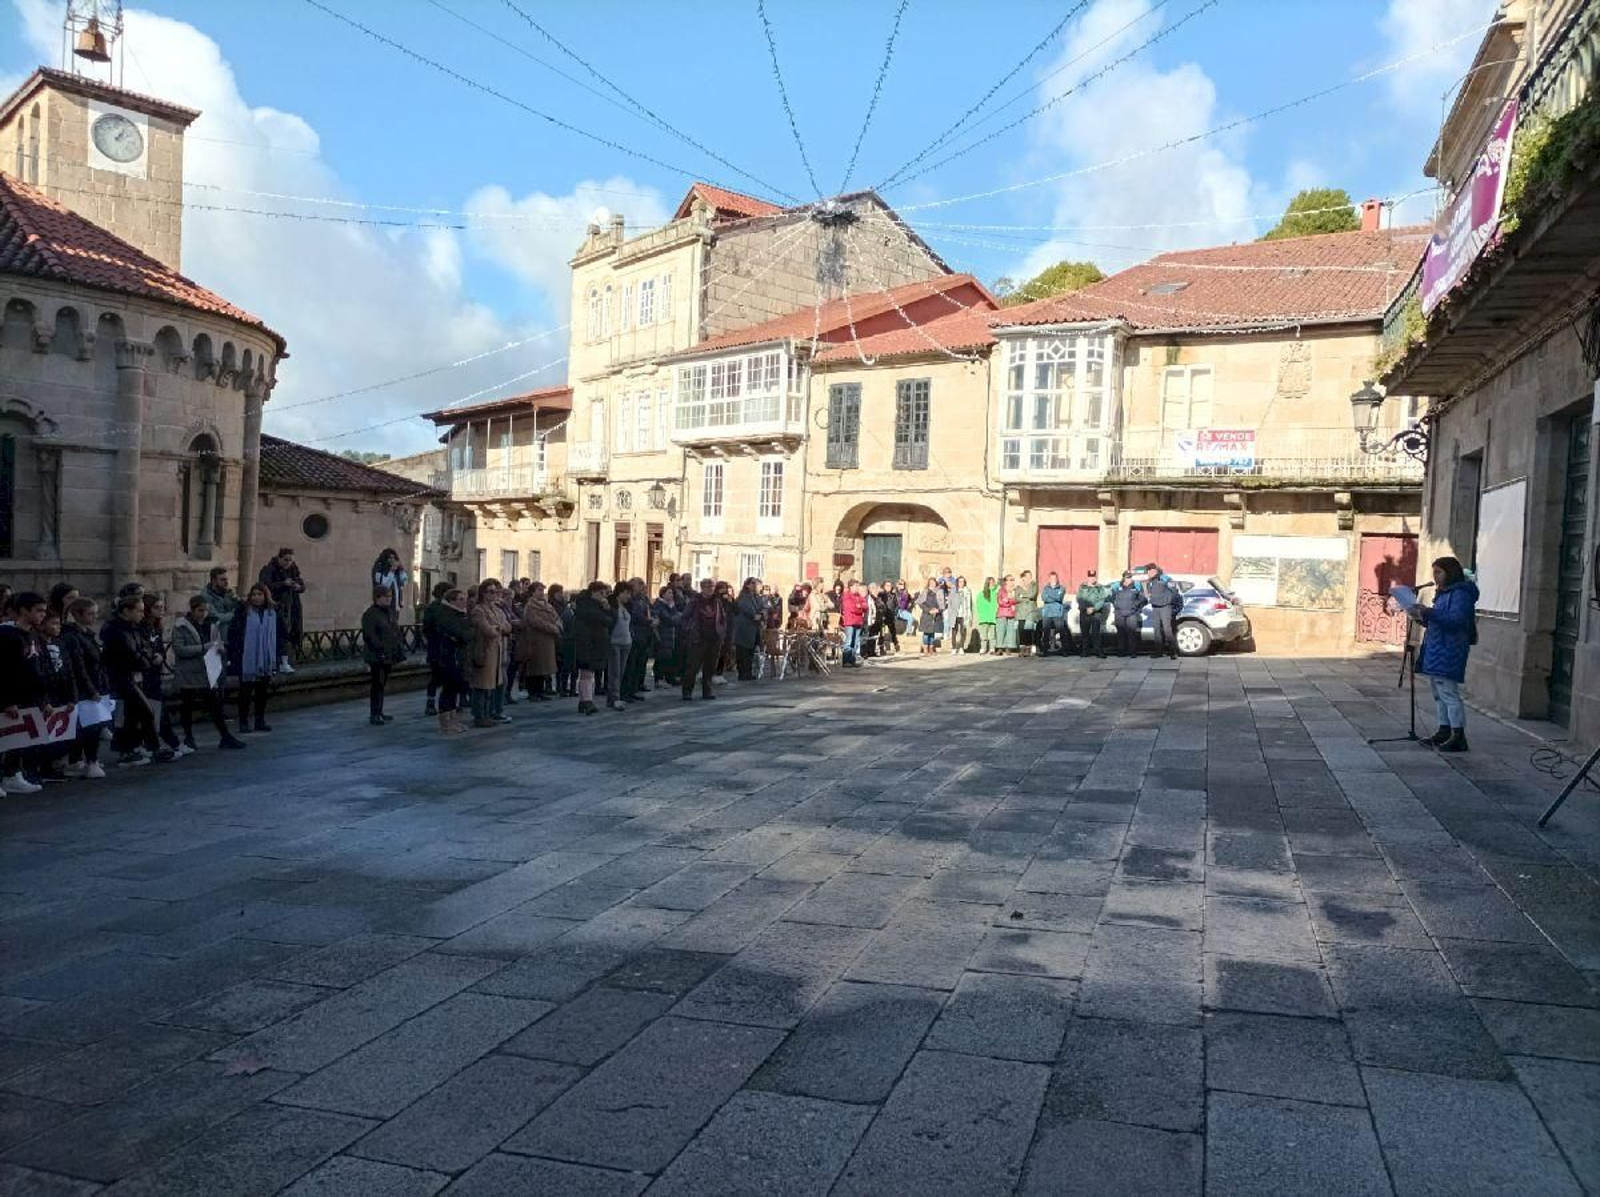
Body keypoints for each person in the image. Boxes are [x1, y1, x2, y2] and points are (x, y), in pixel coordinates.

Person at [1414, 556, 1479, 753]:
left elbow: (1456, 620)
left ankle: (1458, 736)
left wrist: (1429, 612)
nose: (1435, 576)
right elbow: (1438, 620)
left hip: (1450, 648)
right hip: (1436, 647)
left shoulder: (1461, 594)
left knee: (1449, 693)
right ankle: (1444, 730)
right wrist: (1420, 616)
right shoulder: (1443, 593)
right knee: (1438, 693)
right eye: (1434, 572)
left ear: (1450, 572)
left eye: (1439, 572)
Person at [172, 595, 245, 751]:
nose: (203, 614)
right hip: (188, 672)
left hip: (206, 671)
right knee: (187, 706)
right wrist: (202, 648)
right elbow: (179, 649)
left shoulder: (211, 624)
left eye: (205, 610)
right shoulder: (181, 626)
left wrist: (219, 648)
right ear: (192, 610)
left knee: (214, 705)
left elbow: (215, 643)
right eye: (200, 610)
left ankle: (225, 736)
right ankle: (189, 737)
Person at [101, 592, 167, 765]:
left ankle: (127, 750)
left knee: (131, 715)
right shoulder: (115, 629)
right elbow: (130, 654)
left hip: (133, 675)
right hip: (121, 677)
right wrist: (147, 660)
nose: (142, 614)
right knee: (145, 710)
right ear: (126, 611)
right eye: (139, 610)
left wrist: (148, 656)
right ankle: (153, 747)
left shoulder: (133, 628)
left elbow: (144, 647)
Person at [0, 592, 50, 792]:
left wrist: (44, 699)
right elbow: (4, 671)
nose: (42, 615)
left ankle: (12, 775)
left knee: (20, 740)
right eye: (38, 610)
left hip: (30, 696)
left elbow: (39, 667)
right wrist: (7, 701)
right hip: (12, 697)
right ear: (23, 610)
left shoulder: (34, 636)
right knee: (4, 739)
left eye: (44, 611)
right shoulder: (7, 636)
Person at [60, 598, 109, 778]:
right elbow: (79, 666)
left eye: (95, 613)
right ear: (77, 615)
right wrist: (91, 690)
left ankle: (83, 760)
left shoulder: (86, 634)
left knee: (90, 727)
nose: (94, 617)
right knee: (90, 727)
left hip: (94, 684)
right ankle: (89, 761)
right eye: (90, 614)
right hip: (85, 689)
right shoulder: (73, 637)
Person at [226, 583, 279, 734]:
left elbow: (278, 633)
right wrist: (234, 654)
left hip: (266, 657)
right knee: (246, 691)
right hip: (246, 657)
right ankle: (243, 722)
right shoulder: (243, 611)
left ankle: (259, 720)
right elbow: (234, 633)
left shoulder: (272, 613)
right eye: (254, 595)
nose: (256, 598)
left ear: (265, 596)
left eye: (259, 594)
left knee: (262, 691)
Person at [139, 595, 186, 757]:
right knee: (154, 711)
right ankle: (161, 743)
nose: (161, 610)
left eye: (161, 607)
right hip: (146, 675)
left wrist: (160, 655)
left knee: (158, 710)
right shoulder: (142, 628)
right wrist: (153, 656)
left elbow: (160, 648)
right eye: (156, 607)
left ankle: (170, 742)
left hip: (155, 674)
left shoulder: (156, 627)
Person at [361, 585, 407, 726]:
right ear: (377, 598)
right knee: (377, 684)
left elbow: (394, 630)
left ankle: (379, 712)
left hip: (388, 654)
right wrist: (379, 648)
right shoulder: (370, 614)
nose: (388, 599)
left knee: (382, 683)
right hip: (377, 655)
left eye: (390, 596)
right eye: (385, 596)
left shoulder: (389, 612)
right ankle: (374, 714)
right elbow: (369, 635)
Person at [468, 579, 512, 727]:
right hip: (484, 650)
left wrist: (498, 627)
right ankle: (479, 715)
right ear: (483, 593)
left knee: (493, 684)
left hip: (498, 651)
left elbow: (508, 626)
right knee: (482, 685)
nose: (494, 595)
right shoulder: (478, 610)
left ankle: (489, 713)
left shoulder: (497, 610)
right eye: (491, 592)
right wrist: (499, 628)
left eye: (495, 592)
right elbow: (487, 630)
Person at [430, 589, 473, 734]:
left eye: (464, 599)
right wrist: (465, 635)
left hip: (458, 656)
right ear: (451, 601)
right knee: (448, 689)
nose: (464, 602)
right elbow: (460, 634)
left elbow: (469, 633)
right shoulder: (446, 615)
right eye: (460, 599)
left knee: (455, 688)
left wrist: (466, 634)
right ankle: (445, 724)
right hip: (447, 657)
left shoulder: (459, 614)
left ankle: (453, 720)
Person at [259, 548, 304, 673]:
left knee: (291, 632)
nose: (288, 563)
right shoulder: (269, 569)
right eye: (285, 560)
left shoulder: (293, 570)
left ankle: (288, 661)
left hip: (292, 605)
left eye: (290, 560)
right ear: (279, 558)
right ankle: (276, 662)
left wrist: (298, 586)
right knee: (277, 634)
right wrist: (283, 583)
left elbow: (301, 584)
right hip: (276, 606)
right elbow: (264, 585)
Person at [680, 577, 727, 698]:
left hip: (714, 637)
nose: (710, 589)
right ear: (702, 588)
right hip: (698, 637)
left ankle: (707, 691)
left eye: (712, 587)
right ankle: (687, 691)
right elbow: (685, 617)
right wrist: (689, 630)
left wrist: (722, 631)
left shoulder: (717, 601)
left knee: (710, 666)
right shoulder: (696, 601)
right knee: (693, 666)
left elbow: (722, 617)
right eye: (707, 587)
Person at [573, 580, 614, 715]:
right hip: (587, 643)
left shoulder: (595, 605)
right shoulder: (587, 605)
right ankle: (587, 701)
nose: (604, 596)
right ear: (594, 592)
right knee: (587, 673)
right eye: (602, 593)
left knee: (588, 673)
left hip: (595, 643)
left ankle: (584, 700)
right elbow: (604, 620)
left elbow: (612, 619)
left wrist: (607, 609)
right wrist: (606, 612)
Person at [516, 582, 561, 701]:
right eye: (539, 590)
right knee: (534, 668)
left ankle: (540, 691)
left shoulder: (547, 605)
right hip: (535, 641)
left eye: (542, 590)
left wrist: (558, 625)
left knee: (544, 669)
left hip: (548, 641)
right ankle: (533, 693)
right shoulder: (530, 606)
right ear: (533, 592)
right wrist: (552, 627)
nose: (541, 593)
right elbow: (535, 621)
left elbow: (556, 617)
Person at [420, 580, 452, 716]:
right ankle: (433, 703)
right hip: (438, 646)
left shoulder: (442, 607)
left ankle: (437, 703)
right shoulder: (435, 608)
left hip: (440, 647)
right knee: (437, 676)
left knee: (440, 677)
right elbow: (428, 628)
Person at [1144, 565, 1179, 659]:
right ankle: (1158, 652)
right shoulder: (1149, 582)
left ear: (1155, 570)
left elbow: (1174, 591)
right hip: (1155, 607)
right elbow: (1149, 593)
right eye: (1148, 571)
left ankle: (1173, 652)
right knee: (1157, 630)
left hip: (1165, 607)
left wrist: (1169, 601)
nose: (1149, 573)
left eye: (1150, 571)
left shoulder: (1165, 578)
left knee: (1167, 630)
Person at [1075, 568, 1112, 659]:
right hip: (1084, 612)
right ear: (1088, 578)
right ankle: (1085, 651)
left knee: (1096, 633)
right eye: (1091, 577)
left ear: (1096, 577)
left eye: (1094, 577)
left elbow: (1102, 600)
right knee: (1085, 633)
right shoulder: (1082, 587)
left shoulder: (1100, 588)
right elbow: (1079, 598)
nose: (1092, 579)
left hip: (1096, 613)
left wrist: (1094, 608)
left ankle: (1098, 651)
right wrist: (1086, 608)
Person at [733, 577, 765, 680]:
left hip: (753, 628)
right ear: (747, 585)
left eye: (755, 583)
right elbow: (747, 609)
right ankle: (743, 673)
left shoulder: (755, 597)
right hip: (744, 628)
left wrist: (761, 614)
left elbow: (762, 607)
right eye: (752, 583)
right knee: (743, 651)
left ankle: (748, 672)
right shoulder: (743, 596)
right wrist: (754, 615)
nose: (754, 585)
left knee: (750, 652)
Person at [1111, 571, 1147, 658]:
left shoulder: (1136, 586)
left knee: (1132, 633)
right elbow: (1111, 598)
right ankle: (1121, 651)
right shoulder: (1117, 586)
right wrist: (1116, 605)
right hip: (1119, 613)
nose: (1129, 579)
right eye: (1127, 577)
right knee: (1120, 633)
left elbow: (1143, 599)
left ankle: (1132, 652)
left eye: (1130, 577)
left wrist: (1135, 606)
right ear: (1123, 578)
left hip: (1131, 614)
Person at [652, 585, 681, 688]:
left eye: (672, 593)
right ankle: (659, 679)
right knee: (661, 658)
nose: (671, 595)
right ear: (663, 594)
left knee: (668, 658)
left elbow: (677, 618)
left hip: (670, 636)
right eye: (669, 593)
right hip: (662, 635)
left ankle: (667, 678)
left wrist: (675, 615)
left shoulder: (671, 606)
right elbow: (669, 619)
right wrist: (674, 615)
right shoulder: (659, 605)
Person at [552, 584, 577, 698]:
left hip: (572, 640)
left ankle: (571, 689)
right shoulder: (567, 612)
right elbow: (562, 626)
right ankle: (562, 688)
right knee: (565, 666)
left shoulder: (572, 611)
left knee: (573, 668)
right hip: (567, 641)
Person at [1038, 572, 1070, 657]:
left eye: (1055, 578)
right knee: (1046, 633)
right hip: (1047, 613)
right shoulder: (1045, 588)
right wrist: (1054, 596)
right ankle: (1045, 651)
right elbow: (1044, 598)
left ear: (1057, 578)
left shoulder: (1061, 588)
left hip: (1057, 613)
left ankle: (1065, 650)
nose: (1053, 580)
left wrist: (1049, 596)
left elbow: (1059, 598)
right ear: (1049, 579)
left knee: (1061, 632)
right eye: (1052, 578)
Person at [839, 580, 869, 667]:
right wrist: (859, 608)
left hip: (858, 621)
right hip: (850, 622)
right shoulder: (847, 596)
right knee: (849, 641)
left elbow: (865, 606)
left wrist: (860, 606)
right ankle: (846, 661)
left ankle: (852, 660)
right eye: (856, 586)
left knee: (855, 642)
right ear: (851, 587)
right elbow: (852, 608)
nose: (857, 588)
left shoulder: (859, 596)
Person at [204, 566, 240, 638]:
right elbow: (215, 617)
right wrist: (234, 614)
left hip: (233, 632)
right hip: (217, 635)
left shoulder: (228, 592)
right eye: (223, 580)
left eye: (226, 579)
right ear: (214, 580)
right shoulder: (205, 596)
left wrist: (235, 598)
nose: (226, 582)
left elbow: (239, 606)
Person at [1014, 570, 1040, 658]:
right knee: (1021, 630)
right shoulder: (1018, 588)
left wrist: (1022, 596)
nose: (1029, 578)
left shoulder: (1034, 586)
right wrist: (1026, 597)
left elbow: (1033, 595)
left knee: (1028, 630)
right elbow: (1016, 598)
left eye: (1030, 576)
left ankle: (1028, 649)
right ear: (1023, 578)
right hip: (1020, 612)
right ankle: (1022, 648)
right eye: (1027, 577)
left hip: (1030, 611)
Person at [917, 578, 943, 655]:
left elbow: (942, 604)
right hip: (926, 614)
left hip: (935, 614)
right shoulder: (925, 591)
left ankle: (931, 648)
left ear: (936, 583)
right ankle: (925, 649)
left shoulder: (939, 592)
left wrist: (938, 610)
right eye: (930, 582)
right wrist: (928, 610)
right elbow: (920, 603)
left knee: (932, 633)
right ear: (928, 583)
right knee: (926, 632)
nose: (932, 583)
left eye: (933, 582)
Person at [948, 576, 973, 654]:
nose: (961, 583)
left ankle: (961, 647)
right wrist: (950, 612)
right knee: (954, 631)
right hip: (955, 614)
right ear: (957, 583)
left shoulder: (968, 591)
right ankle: (954, 647)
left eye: (963, 581)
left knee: (963, 631)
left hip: (964, 614)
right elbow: (950, 602)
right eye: (960, 581)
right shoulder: (953, 591)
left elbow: (970, 603)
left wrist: (970, 615)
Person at [995, 576, 1019, 655]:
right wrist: (1009, 601)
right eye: (1010, 580)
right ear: (1005, 581)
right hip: (1002, 613)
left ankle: (1008, 647)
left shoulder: (1014, 591)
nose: (1012, 582)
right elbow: (1000, 602)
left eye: (1013, 580)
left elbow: (1016, 601)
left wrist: (1008, 600)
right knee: (1001, 631)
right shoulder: (1001, 591)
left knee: (1011, 631)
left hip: (1012, 613)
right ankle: (999, 647)